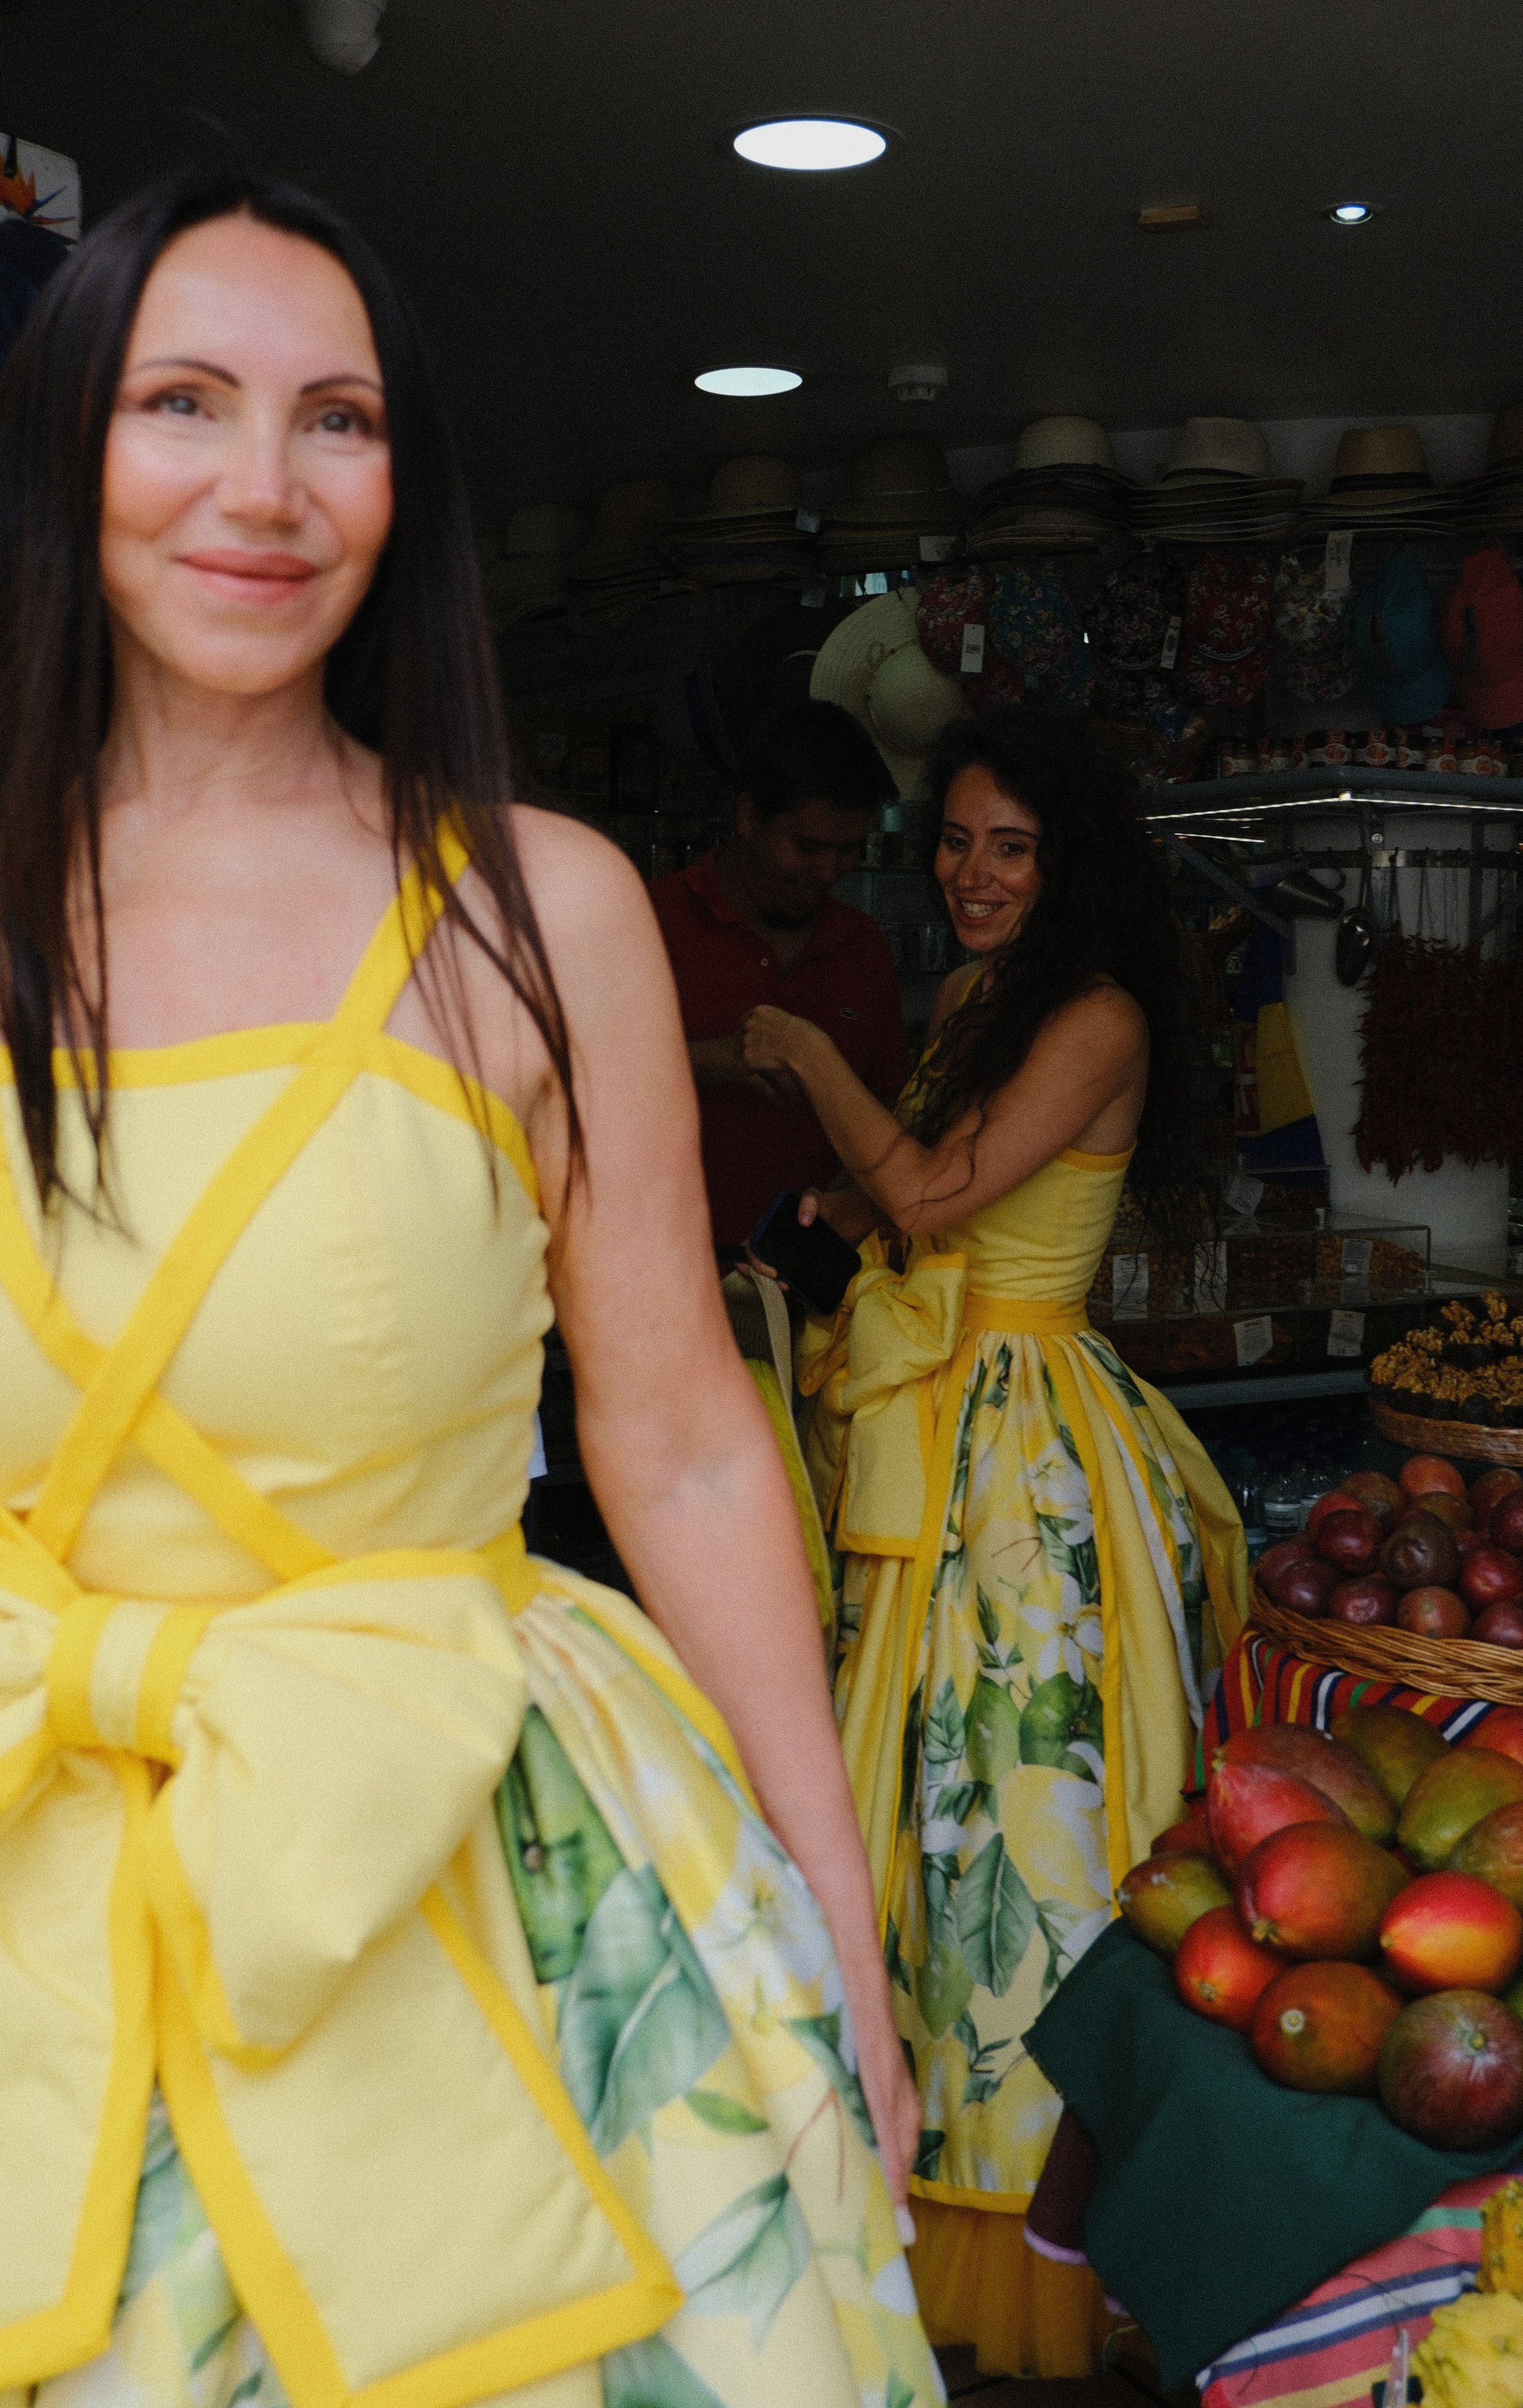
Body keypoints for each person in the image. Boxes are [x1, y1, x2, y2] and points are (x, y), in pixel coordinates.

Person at [0, 167, 944, 2408]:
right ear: (65, 455)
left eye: (335, 419)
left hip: (490, 1855)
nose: (263, 486)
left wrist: (834, 1909)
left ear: (403, 486)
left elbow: (685, 1430)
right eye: (184, 404)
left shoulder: (543, 903)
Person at [741, 709, 1248, 2381]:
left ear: (1070, 860)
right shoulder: (982, 1001)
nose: (971, 870)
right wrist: (826, 1216)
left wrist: (813, 1059)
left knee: (1030, 1827)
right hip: (945, 1438)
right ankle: (931, 2153)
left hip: (1028, 1462)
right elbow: (908, 1200)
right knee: (925, 1818)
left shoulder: (1094, 1014)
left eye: (1009, 844)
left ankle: (1049, 2210)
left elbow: (948, 1192)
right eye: (956, 839)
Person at [650, 701, 908, 1253]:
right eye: (807, 846)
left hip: (813, 1280)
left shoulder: (862, 947)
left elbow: (893, 1110)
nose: (826, 871)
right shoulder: (649, 919)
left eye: (847, 851)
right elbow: (560, 1072)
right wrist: (707, 1058)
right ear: (748, 817)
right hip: (659, 1267)